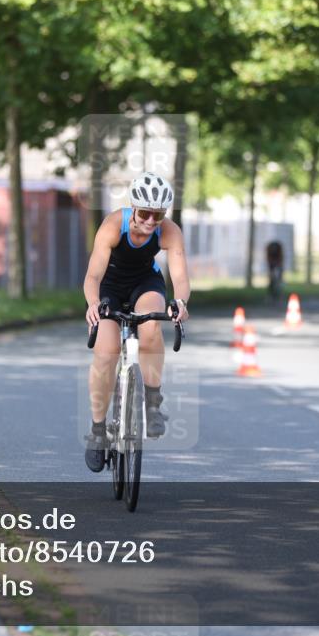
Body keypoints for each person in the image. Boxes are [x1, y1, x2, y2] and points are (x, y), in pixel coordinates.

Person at [82, 172, 191, 473]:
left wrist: (180, 302)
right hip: (109, 286)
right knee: (105, 353)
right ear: (134, 208)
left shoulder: (168, 231)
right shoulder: (112, 225)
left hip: (145, 282)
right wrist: (93, 304)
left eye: (158, 215)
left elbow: (180, 277)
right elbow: (92, 276)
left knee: (151, 324)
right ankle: (97, 429)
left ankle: (153, 402)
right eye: (144, 213)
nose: (150, 221)